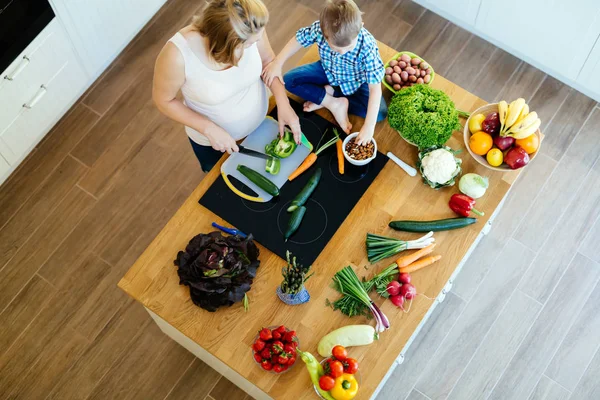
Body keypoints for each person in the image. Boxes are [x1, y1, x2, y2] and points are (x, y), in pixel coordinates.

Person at [153, 0, 301, 172]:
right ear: (225, 43)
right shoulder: (177, 55)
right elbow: (164, 100)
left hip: (262, 124)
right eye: (249, 44)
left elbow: (268, 61)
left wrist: (283, 102)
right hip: (214, 143)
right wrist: (208, 129)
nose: (255, 43)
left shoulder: (249, 22)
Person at [262, 0, 386, 145]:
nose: (342, 53)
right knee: (289, 80)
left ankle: (329, 93)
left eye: (348, 48)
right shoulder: (320, 29)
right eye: (336, 48)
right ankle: (332, 102)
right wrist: (277, 62)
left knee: (380, 113)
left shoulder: (368, 46)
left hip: (357, 82)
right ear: (324, 33)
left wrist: (369, 127)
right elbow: (299, 39)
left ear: (361, 27)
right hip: (327, 72)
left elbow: (375, 88)